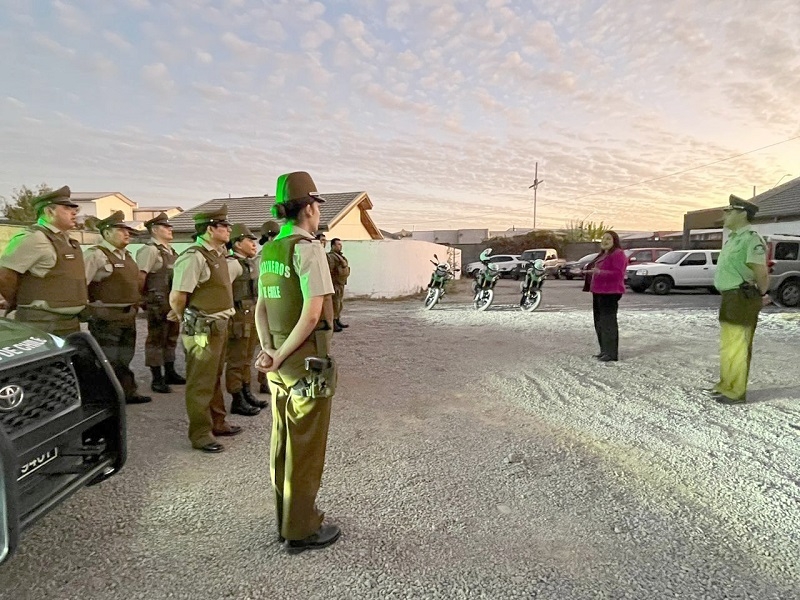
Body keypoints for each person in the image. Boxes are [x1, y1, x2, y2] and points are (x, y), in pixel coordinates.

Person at [254, 171, 340, 554]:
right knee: (304, 448)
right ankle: (301, 529)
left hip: (279, 366)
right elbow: (311, 315)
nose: (319, 212)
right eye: (317, 205)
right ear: (308, 208)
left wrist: (269, 352)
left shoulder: (269, 250)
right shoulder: (308, 249)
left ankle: (284, 519)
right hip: (305, 364)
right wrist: (284, 353)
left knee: (282, 443)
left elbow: (259, 309)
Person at [169, 204, 241, 453]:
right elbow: (178, 296)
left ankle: (218, 422)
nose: (229, 229)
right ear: (210, 229)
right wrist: (183, 318)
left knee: (214, 377)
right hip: (202, 328)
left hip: (218, 325)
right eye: (224, 225)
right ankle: (200, 433)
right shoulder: (194, 256)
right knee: (201, 381)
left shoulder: (218, 254)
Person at [0, 186, 87, 336]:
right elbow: (5, 275)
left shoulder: (67, 240)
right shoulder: (34, 238)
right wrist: (16, 301)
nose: (74, 212)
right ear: (49, 211)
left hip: (68, 322)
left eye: (75, 209)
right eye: (67, 208)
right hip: (42, 323)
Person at [84, 211, 151, 404]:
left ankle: (126, 392)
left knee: (125, 357)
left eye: (127, 230)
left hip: (127, 316)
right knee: (107, 359)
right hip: (106, 318)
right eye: (121, 230)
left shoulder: (127, 256)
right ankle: (105, 397)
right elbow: (81, 284)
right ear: (106, 233)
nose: (127, 234)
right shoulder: (96, 255)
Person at [708, 195, 770, 405]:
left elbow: (760, 271)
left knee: (739, 345)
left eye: (729, 211)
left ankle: (736, 392)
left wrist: (761, 294)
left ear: (742, 213)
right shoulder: (734, 238)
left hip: (742, 296)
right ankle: (726, 385)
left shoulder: (751, 238)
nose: (725, 215)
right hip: (730, 296)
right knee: (728, 344)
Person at [136, 212, 185, 394]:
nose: (170, 229)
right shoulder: (150, 250)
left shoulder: (170, 251)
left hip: (170, 303)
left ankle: (170, 372)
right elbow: (141, 277)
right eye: (166, 227)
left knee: (171, 338)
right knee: (156, 340)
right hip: (157, 302)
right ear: (154, 230)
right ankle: (157, 378)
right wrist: (142, 299)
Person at [224, 223, 267, 416]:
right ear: (237, 243)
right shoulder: (232, 264)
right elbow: (223, 292)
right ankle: (236, 398)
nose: (254, 244)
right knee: (236, 359)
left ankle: (246, 392)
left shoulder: (248, 263)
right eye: (249, 240)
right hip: (238, 317)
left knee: (247, 358)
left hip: (250, 316)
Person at [587, 231, 628, 362]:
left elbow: (618, 273)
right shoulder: (602, 255)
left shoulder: (618, 254)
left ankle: (611, 353)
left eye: (608, 239)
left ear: (614, 241)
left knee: (608, 323)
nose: (604, 241)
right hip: (598, 291)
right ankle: (604, 350)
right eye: (603, 238)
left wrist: (600, 272)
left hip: (610, 293)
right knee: (599, 322)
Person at [256, 220, 281, 394]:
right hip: (263, 306)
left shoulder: (281, 255)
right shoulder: (261, 259)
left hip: (273, 306)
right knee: (265, 343)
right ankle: (264, 380)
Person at [327, 238, 350, 332]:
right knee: (335, 303)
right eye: (338, 244)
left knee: (339, 303)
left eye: (340, 244)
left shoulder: (340, 256)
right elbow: (330, 270)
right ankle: (333, 322)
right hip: (335, 283)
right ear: (332, 246)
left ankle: (337, 319)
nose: (340, 246)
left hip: (341, 283)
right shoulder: (331, 257)